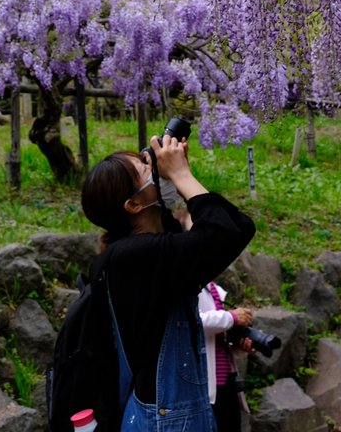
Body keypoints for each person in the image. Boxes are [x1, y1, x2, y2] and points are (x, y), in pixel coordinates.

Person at [81, 132, 255, 432]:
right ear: (133, 205)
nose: (157, 169)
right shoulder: (134, 256)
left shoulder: (146, 254)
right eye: (146, 170)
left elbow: (239, 227)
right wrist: (181, 175)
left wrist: (182, 177)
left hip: (172, 416)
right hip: (163, 421)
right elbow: (224, 233)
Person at [198, 282, 253, 432]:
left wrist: (238, 346)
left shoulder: (214, 288)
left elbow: (218, 339)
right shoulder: (188, 282)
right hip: (203, 387)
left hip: (226, 380)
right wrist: (231, 317)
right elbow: (193, 322)